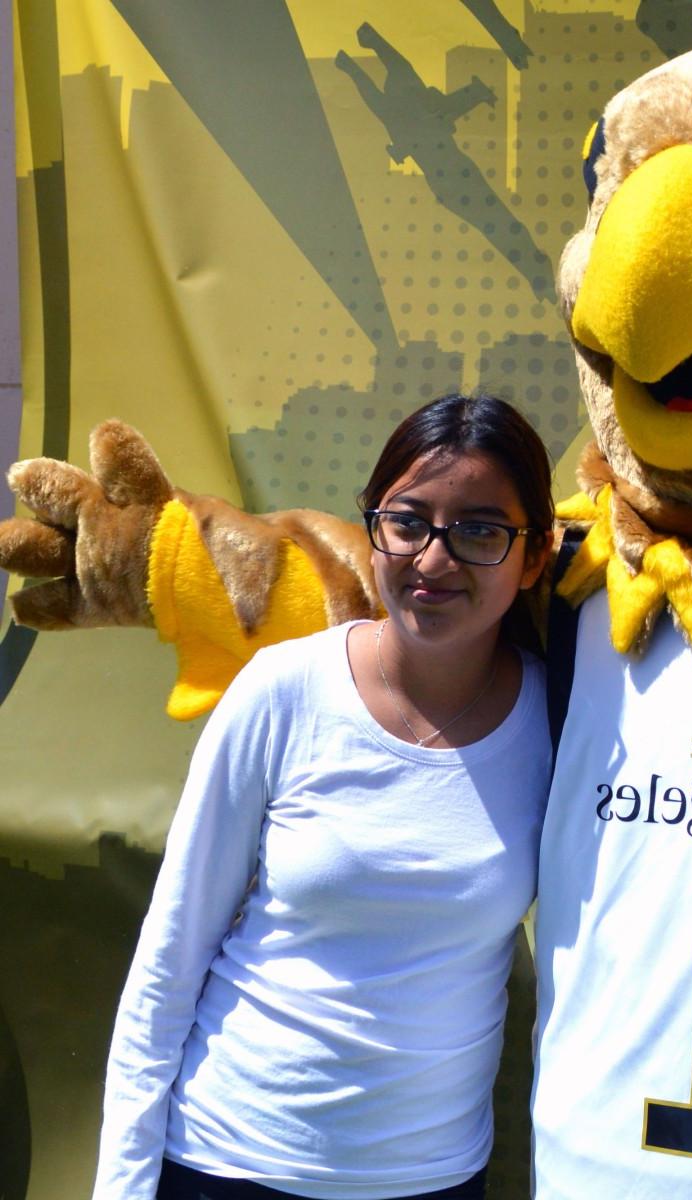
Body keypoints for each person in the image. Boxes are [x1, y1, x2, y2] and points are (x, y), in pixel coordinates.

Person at [95, 394, 555, 1200]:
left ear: (537, 558)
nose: (434, 558)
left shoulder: (560, 724)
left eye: (480, 531)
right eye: (407, 521)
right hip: (225, 1162)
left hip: (432, 1179)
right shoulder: (283, 689)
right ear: (372, 528)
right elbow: (170, 958)